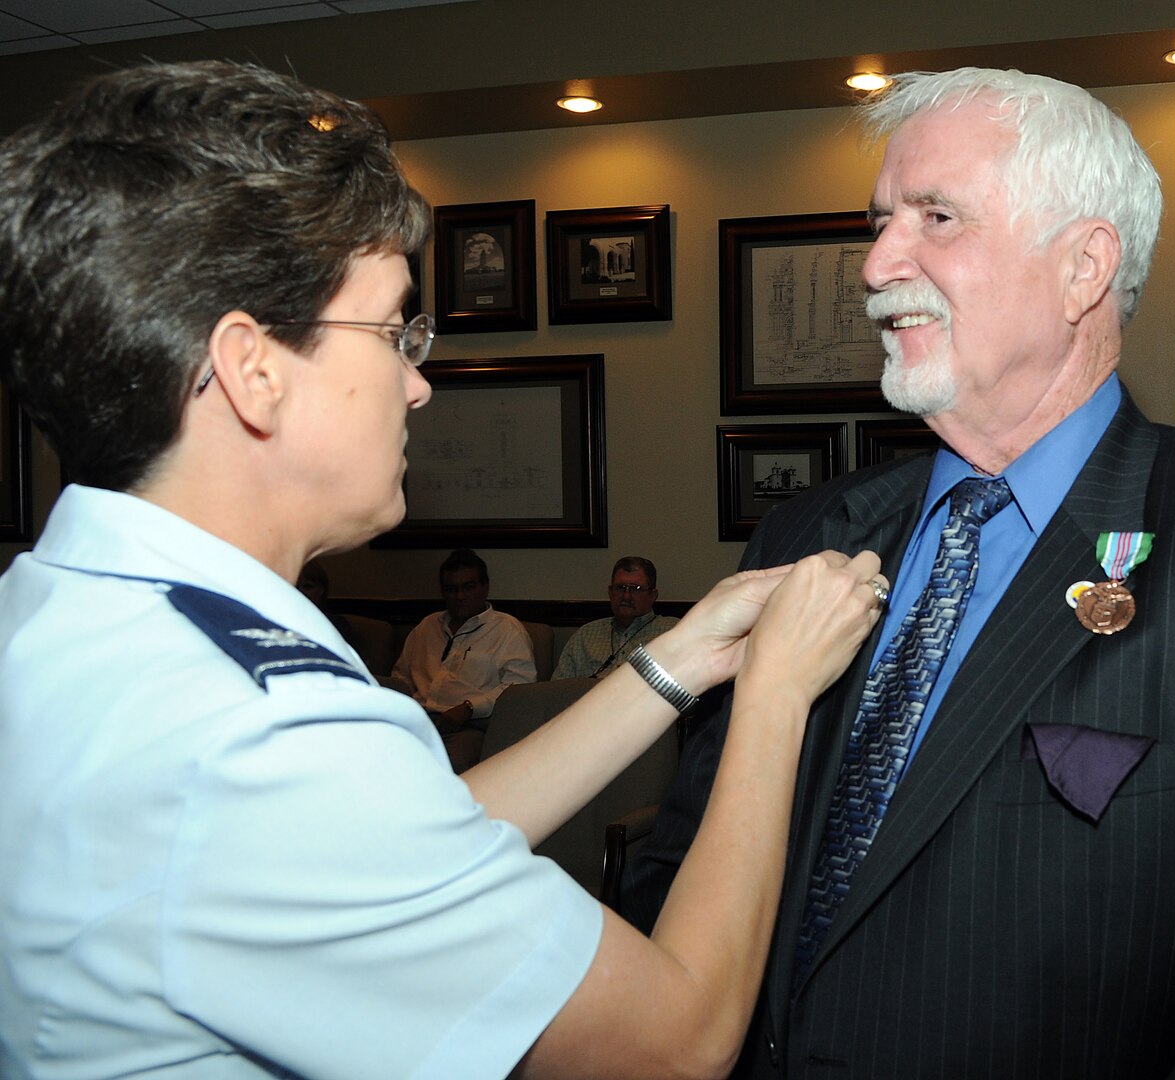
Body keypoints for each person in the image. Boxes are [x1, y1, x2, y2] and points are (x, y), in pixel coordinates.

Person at [0, 59, 887, 1079]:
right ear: (253, 370)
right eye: (392, 332)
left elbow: (404, 845)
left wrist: (678, 661)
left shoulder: (68, 615)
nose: (418, 385)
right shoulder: (261, 737)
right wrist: (777, 693)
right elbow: (673, 1043)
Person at [622, 67, 1175, 1077]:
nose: (873, 264)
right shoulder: (807, 532)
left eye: (935, 218)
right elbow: (677, 866)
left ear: (1083, 267)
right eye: (877, 222)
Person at [386, 548, 536, 763]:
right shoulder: (427, 627)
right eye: (451, 589)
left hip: (470, 726)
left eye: (469, 587)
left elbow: (519, 688)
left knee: (449, 768)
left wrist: (468, 708)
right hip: (418, 720)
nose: (460, 596)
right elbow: (400, 679)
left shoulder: (506, 629)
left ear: (485, 587)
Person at [553, 555, 680, 679]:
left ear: (653, 595)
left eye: (636, 589)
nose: (626, 596)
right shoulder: (585, 636)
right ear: (610, 592)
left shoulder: (673, 632)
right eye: (620, 588)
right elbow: (556, 690)